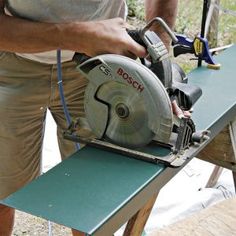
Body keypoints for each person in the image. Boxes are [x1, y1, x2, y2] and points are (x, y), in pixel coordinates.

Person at [0, 0, 178, 235]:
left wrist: (158, 63)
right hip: (14, 58)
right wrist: (77, 35)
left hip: (101, 62)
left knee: (90, 199)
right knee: (3, 190)